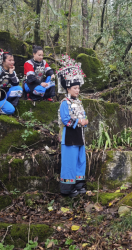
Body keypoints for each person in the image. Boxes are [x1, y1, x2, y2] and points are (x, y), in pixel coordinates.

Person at [57, 54, 88, 197]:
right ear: (68, 89)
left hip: (79, 136)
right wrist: (79, 122)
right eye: (75, 88)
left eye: (78, 88)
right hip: (69, 136)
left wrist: (85, 121)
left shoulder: (79, 103)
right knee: (69, 162)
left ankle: (79, 184)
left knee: (80, 160)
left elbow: (84, 116)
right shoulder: (65, 103)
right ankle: (67, 189)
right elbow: (66, 120)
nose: (77, 90)